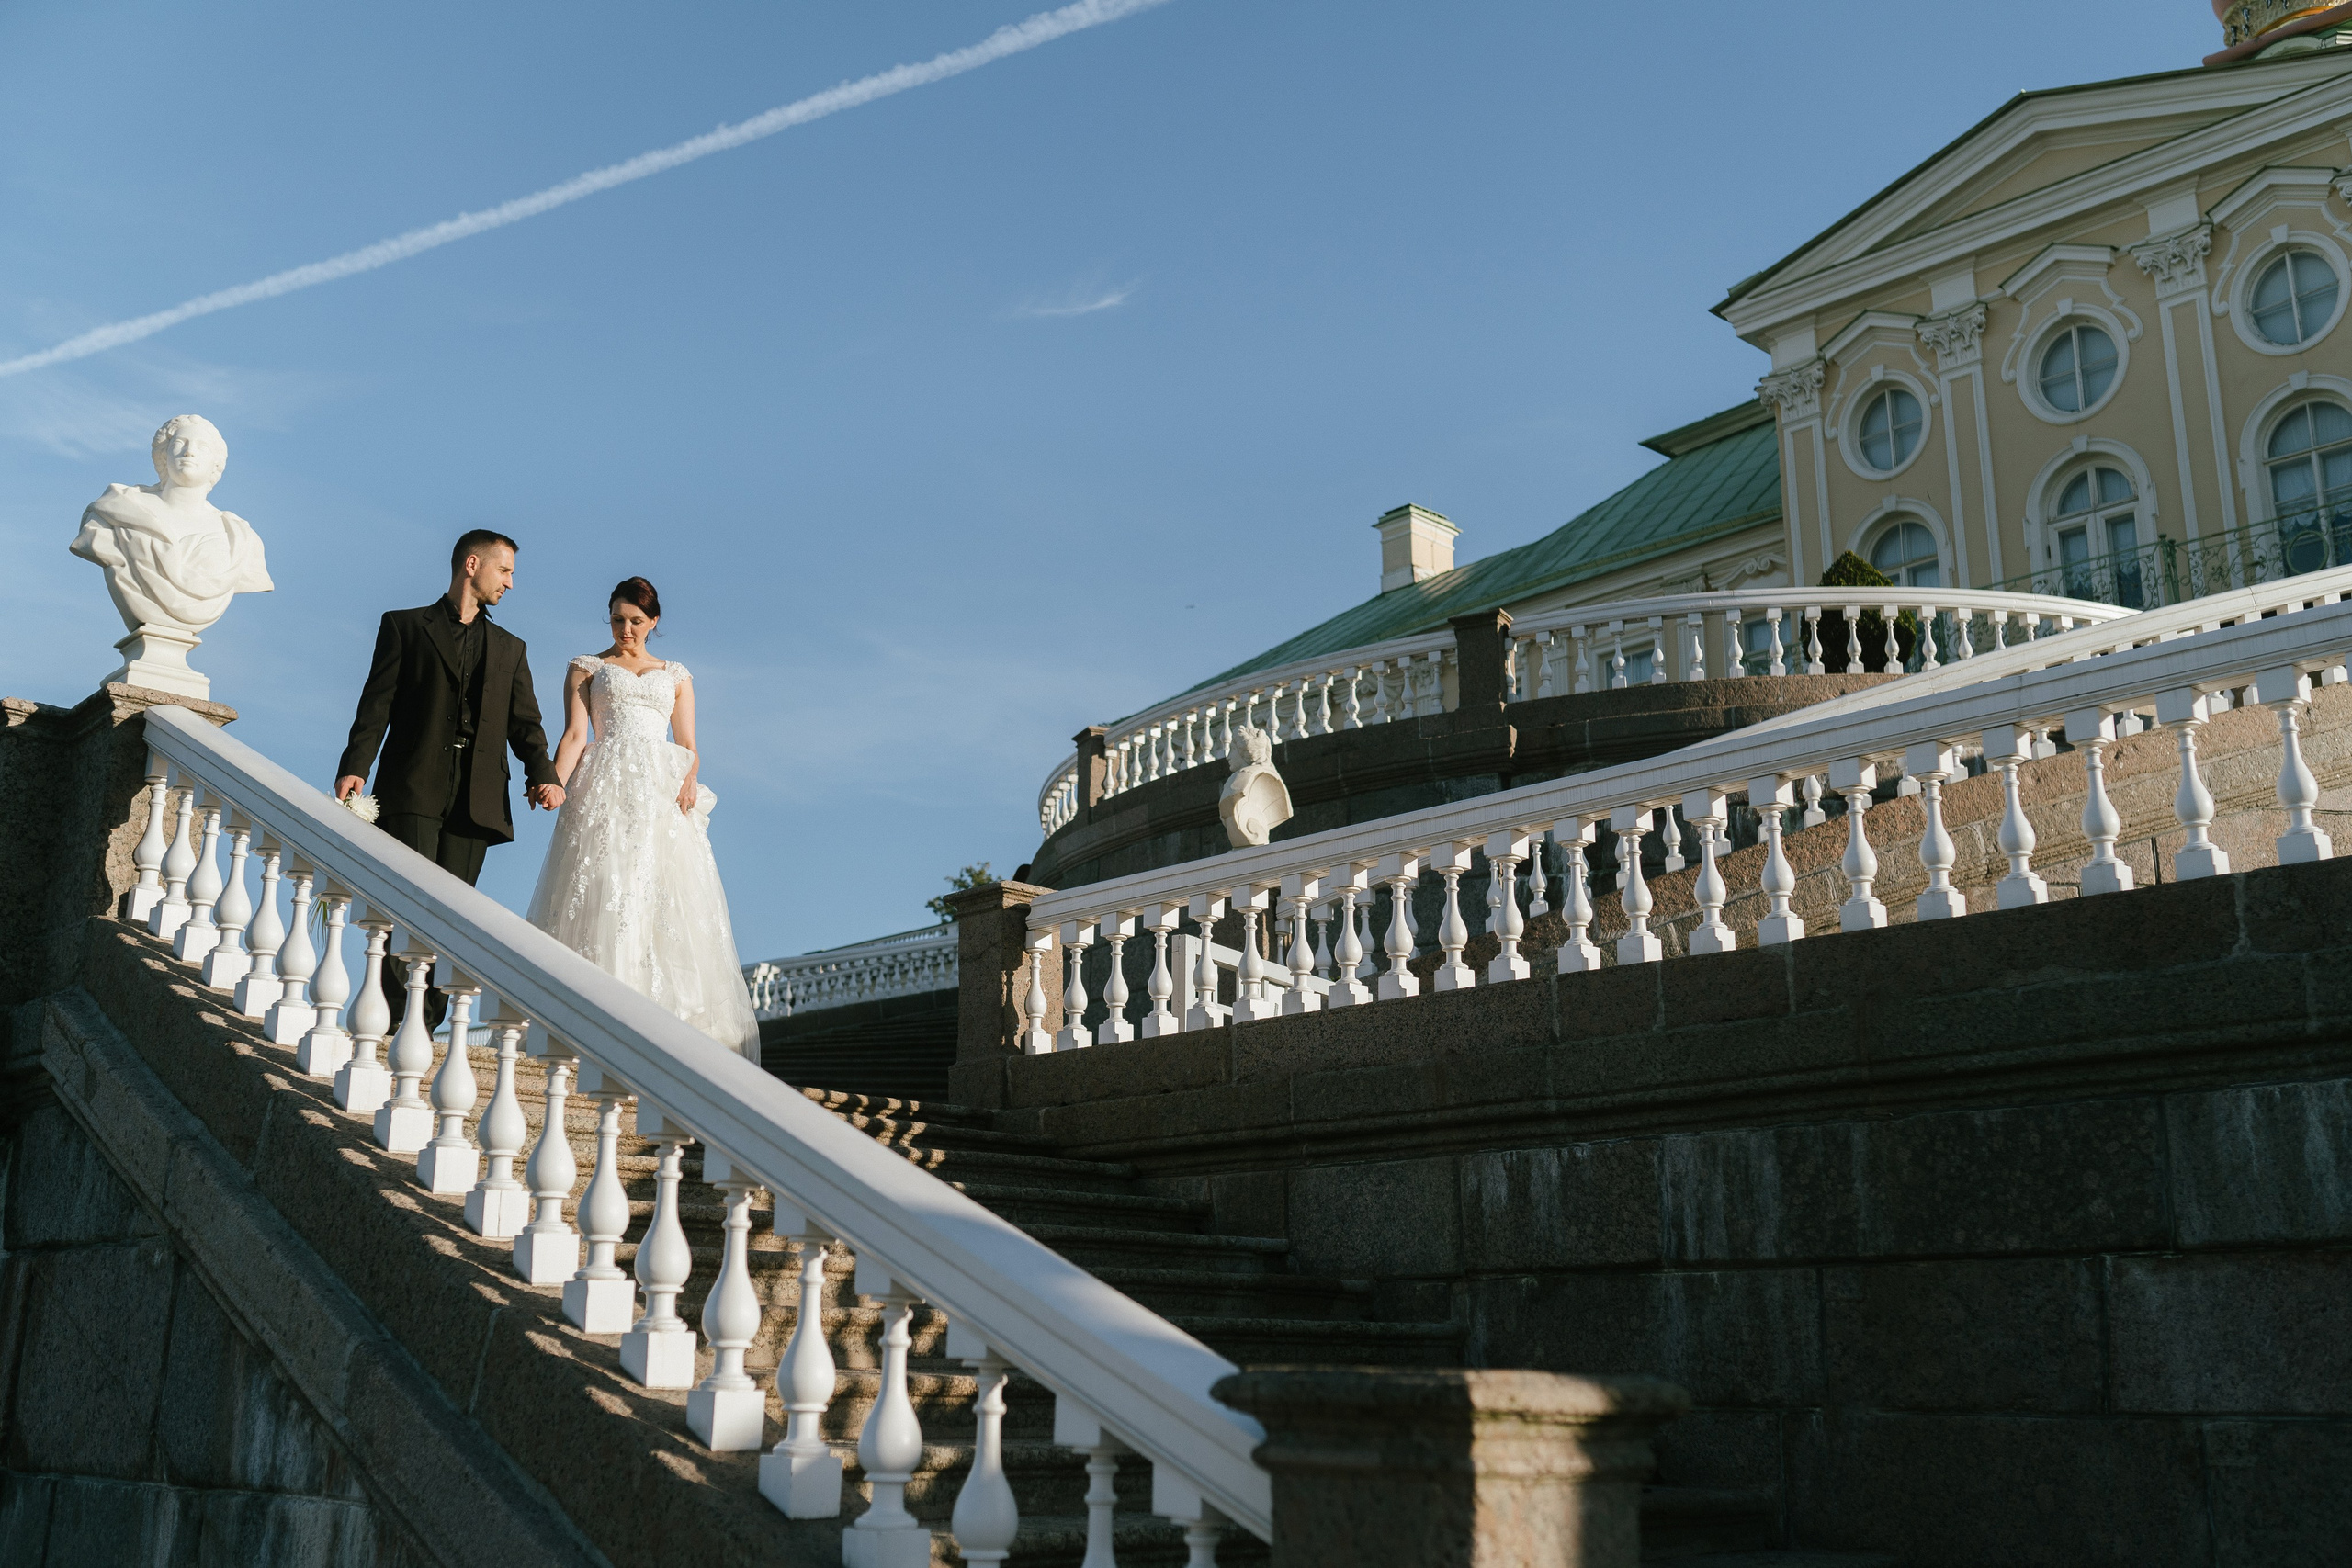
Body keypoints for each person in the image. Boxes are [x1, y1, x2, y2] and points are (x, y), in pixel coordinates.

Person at [334, 530, 564, 1025]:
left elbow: (525, 722)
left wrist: (542, 775)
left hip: (477, 793)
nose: (509, 583)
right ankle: (397, 1017)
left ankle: (428, 1023)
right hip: (412, 783)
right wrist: (356, 766)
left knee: (453, 915)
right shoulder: (404, 627)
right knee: (406, 903)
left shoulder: (510, 648)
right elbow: (377, 705)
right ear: (472, 564)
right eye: (504, 571)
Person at [525, 577, 760, 1058]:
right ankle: (597, 1020)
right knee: (606, 888)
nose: (625, 629)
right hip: (604, 787)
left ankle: (661, 1030)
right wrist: (555, 783)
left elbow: (689, 744)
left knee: (665, 894)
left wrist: (689, 779)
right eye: (617, 619)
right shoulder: (586, 668)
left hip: (659, 789)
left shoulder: (675, 674)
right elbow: (573, 735)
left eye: (635, 621)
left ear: (653, 622)